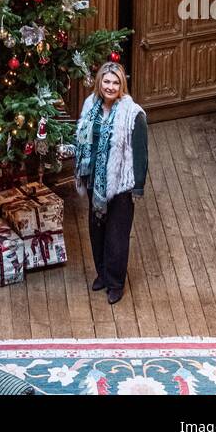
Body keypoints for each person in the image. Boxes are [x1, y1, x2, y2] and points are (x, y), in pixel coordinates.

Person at [75, 61, 148, 305]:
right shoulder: (90, 106)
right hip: (95, 180)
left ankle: (116, 282)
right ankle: (103, 274)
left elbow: (140, 152)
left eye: (115, 82)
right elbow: (83, 139)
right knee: (97, 231)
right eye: (106, 81)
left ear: (122, 85)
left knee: (117, 237)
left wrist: (138, 185)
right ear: (99, 82)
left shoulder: (133, 114)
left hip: (120, 184)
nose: (110, 86)